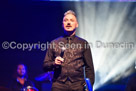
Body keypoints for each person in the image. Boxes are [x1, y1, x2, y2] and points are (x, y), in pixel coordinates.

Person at [43, 10, 95, 91]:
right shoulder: (54, 43)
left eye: (71, 20)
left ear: (76, 24)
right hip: (58, 85)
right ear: (62, 24)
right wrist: (54, 63)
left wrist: (89, 86)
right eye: (66, 20)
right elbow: (45, 66)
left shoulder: (83, 43)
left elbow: (89, 68)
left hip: (78, 86)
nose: (68, 23)